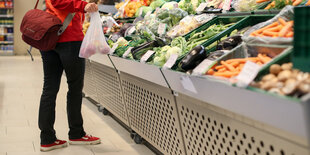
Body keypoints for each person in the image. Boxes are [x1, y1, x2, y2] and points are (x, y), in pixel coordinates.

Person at [39, 0, 100, 152]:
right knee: (75, 87)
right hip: (69, 39)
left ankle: (47, 138)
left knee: (50, 89)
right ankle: (76, 133)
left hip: (49, 37)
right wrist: (82, 5)